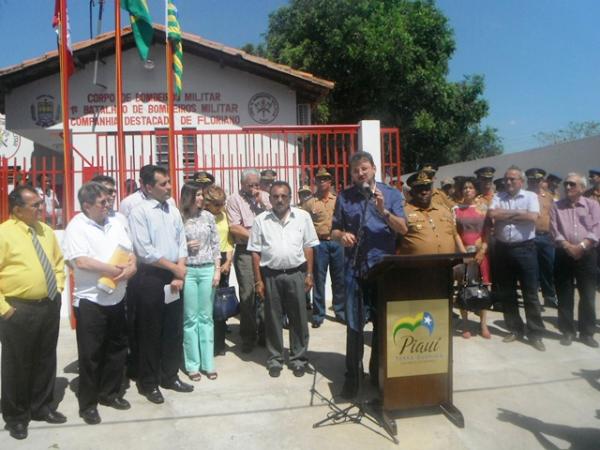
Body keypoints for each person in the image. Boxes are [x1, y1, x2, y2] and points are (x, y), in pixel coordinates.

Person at [331, 151, 407, 399]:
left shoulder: (392, 194)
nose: (360, 173)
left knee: (382, 325)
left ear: (374, 169)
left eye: (364, 168)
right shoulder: (345, 196)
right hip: (354, 268)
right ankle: (353, 377)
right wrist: (341, 236)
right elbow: (333, 229)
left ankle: (378, 373)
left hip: (382, 269)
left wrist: (383, 210)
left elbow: (403, 228)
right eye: (355, 170)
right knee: (354, 326)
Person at [62, 182, 137, 425]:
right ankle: (89, 404)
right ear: (86, 205)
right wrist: (114, 269)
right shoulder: (77, 226)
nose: (108, 205)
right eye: (102, 202)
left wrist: (131, 268)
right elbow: (80, 261)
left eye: (108, 200)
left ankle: (110, 393)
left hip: (117, 296)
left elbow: (130, 250)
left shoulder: (117, 222)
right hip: (90, 300)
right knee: (91, 354)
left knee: (116, 348)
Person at [0, 185, 67, 440]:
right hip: (18, 309)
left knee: (45, 359)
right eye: (35, 205)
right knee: (17, 364)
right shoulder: (4, 234)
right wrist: (5, 310)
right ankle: (16, 416)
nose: (42, 208)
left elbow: (58, 262)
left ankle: (41, 407)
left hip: (48, 305)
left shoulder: (46, 231)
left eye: (41, 203)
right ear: (17, 210)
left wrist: (58, 288)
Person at [128, 166, 193, 404]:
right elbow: (145, 251)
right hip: (150, 278)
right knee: (150, 332)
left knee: (172, 329)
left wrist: (179, 271)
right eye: (163, 184)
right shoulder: (139, 212)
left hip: (174, 276)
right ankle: (149, 382)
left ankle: (170, 375)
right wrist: (175, 268)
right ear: (147, 187)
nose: (169, 187)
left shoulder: (173, 210)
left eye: (168, 182)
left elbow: (181, 242)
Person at [249, 181, 319, 377]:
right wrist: (258, 281)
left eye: (284, 196)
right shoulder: (261, 220)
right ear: (269, 198)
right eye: (275, 196)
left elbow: (309, 247)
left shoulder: (302, 217)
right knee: (272, 319)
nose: (279, 200)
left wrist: (309, 274)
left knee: (299, 317)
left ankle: (298, 358)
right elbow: (255, 252)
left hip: (296, 273)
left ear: (290, 198)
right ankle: (275, 359)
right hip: (271, 275)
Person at [488, 166, 546, 351]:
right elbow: (492, 214)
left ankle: (535, 333)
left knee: (530, 293)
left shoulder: (530, 196)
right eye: (506, 179)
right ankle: (515, 329)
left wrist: (505, 215)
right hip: (503, 249)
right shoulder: (498, 197)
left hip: (525, 249)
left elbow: (532, 217)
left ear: (521, 181)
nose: (509, 182)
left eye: (513, 179)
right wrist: (518, 214)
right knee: (507, 292)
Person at [550, 173, 600, 347]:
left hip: (587, 255)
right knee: (565, 295)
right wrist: (568, 247)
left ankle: (587, 333)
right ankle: (567, 331)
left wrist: (582, 246)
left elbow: (597, 229)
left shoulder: (593, 205)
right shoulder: (556, 206)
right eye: (566, 184)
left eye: (572, 184)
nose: (568, 187)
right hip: (564, 254)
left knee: (587, 295)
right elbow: (555, 230)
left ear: (582, 188)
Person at [179, 182, 221, 381]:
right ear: (188, 197)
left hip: (207, 270)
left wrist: (217, 270)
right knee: (190, 319)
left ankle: (208, 363)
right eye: (197, 195)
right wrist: (186, 246)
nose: (201, 198)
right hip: (188, 271)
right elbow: (173, 245)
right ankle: (192, 365)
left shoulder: (209, 217)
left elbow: (215, 245)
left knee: (206, 318)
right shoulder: (180, 218)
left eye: (201, 194)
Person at [226, 168, 271, 353]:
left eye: (256, 185)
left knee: (265, 292)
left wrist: (263, 203)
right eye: (249, 185)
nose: (253, 188)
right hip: (246, 250)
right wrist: (255, 238)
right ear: (242, 184)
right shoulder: (234, 200)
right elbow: (234, 227)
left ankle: (265, 333)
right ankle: (248, 336)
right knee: (248, 293)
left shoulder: (266, 196)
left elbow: (277, 213)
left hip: (267, 250)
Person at [301, 167, 346, 327]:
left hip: (337, 243)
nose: (322, 182)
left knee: (339, 279)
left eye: (325, 179)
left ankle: (340, 311)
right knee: (318, 279)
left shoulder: (338, 200)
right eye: (319, 179)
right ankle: (318, 314)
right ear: (315, 182)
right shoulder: (310, 202)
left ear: (330, 181)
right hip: (318, 244)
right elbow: (302, 221)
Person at [452, 177, 492, 339]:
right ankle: (466, 324)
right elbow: (455, 233)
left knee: (483, 288)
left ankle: (483, 325)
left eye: (471, 188)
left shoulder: (484, 208)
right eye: (465, 188)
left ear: (476, 190)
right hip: (464, 254)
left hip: (481, 253)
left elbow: (487, 232)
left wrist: (483, 249)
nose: (467, 190)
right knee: (463, 288)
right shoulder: (456, 209)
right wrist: (463, 253)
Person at [397, 171, 463, 256]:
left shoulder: (444, 210)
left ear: (432, 190)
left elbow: (455, 235)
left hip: (446, 266)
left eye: (427, 188)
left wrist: (464, 256)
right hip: (416, 267)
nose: (424, 192)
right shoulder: (403, 212)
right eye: (419, 189)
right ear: (412, 192)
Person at [204, 185, 235, 356]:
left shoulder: (224, 216)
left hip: (224, 259)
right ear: (208, 203)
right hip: (207, 259)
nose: (220, 207)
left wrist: (228, 261)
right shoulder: (203, 217)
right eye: (217, 204)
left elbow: (229, 239)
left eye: (222, 203)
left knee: (220, 304)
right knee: (207, 304)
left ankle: (219, 343)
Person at [526, 168, 558, 308]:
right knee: (532, 270)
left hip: (546, 237)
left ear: (542, 181)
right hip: (530, 237)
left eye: (538, 180)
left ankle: (549, 296)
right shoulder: (525, 196)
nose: (535, 182)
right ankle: (534, 300)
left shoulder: (549, 197)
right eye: (532, 180)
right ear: (528, 181)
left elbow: (554, 216)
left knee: (549, 267)